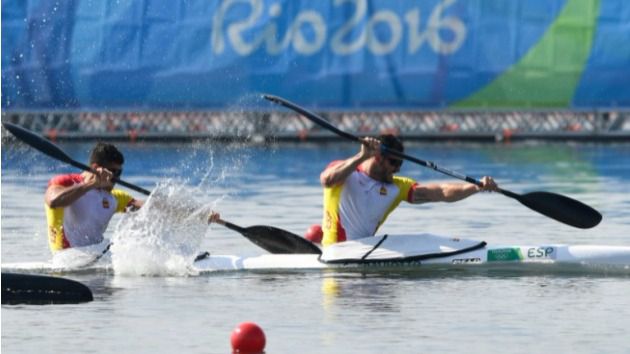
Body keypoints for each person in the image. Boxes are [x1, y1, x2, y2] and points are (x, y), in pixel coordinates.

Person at [319, 134, 498, 247]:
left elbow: (442, 192)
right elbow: (327, 180)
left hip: (363, 255)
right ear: (378, 158)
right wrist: (362, 155)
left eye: (401, 163)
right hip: (335, 255)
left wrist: (476, 187)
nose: (397, 169)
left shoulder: (397, 187)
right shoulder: (345, 172)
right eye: (394, 163)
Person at [45, 142, 144, 253]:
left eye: (119, 173)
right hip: (66, 259)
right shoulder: (65, 182)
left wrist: (164, 203)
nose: (117, 178)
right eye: (114, 172)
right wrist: (91, 184)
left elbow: (148, 208)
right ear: (96, 168)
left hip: (97, 257)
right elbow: (53, 201)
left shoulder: (115, 197)